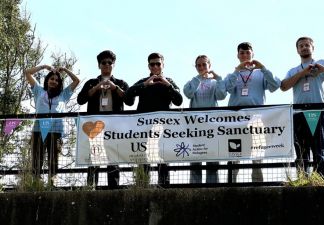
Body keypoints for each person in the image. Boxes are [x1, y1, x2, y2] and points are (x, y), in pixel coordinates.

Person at [280, 36, 324, 178]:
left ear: (313, 48)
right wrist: (303, 73)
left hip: (317, 112)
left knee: (319, 150)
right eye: (301, 46)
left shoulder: (322, 63)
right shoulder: (293, 70)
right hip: (298, 113)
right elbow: (283, 86)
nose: (304, 47)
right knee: (301, 151)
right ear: (297, 50)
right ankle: (302, 180)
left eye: (307, 45)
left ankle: (319, 180)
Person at [225, 42, 281, 182]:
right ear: (237, 55)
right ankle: (230, 185)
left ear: (252, 54)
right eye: (242, 53)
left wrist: (263, 68)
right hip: (236, 118)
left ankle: (258, 186)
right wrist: (236, 71)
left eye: (247, 52)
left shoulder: (260, 73)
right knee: (234, 153)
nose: (245, 55)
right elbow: (227, 89)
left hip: (256, 117)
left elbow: (275, 85)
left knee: (257, 154)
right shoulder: (233, 73)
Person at [77, 50, 133, 188]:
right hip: (95, 127)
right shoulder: (91, 83)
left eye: (110, 62)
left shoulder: (120, 82)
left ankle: (113, 189)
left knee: (113, 158)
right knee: (93, 158)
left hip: (115, 128)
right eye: (104, 62)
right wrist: (96, 88)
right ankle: (91, 187)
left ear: (114, 65)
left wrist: (115, 88)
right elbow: (80, 100)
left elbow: (130, 101)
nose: (107, 65)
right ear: (99, 65)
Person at [125, 52, 183, 185]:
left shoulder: (170, 82)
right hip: (144, 128)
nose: (155, 66)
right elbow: (128, 99)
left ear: (163, 65)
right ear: (148, 66)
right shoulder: (143, 82)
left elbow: (179, 101)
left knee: (163, 157)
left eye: (158, 63)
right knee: (143, 158)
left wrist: (168, 85)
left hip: (163, 128)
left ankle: (164, 187)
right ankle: (142, 185)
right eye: (152, 64)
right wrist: (144, 85)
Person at [25, 64, 80, 186]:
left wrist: (65, 70)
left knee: (53, 158)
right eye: (51, 79)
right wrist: (44, 67)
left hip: (56, 131)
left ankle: (52, 182)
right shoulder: (39, 91)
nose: (54, 81)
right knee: (37, 157)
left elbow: (76, 81)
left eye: (56, 80)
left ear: (59, 83)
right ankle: (36, 183)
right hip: (39, 130)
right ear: (47, 80)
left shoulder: (63, 95)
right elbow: (27, 73)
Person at [183, 55, 227, 184]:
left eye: (204, 64)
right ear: (196, 67)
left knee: (213, 160)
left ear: (209, 65)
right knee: (195, 160)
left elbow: (221, 96)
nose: (202, 67)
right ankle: (194, 188)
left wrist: (218, 78)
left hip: (212, 127)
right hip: (195, 127)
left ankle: (213, 188)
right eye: (199, 65)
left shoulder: (215, 82)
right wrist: (198, 79)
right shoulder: (192, 81)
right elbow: (188, 94)